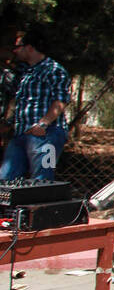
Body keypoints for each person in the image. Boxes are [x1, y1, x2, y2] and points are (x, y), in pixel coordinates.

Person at [1, 25, 71, 181]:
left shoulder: (54, 70)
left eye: (18, 47)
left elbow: (61, 101)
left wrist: (43, 124)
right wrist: (9, 123)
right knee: (6, 179)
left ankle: (40, 206)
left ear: (30, 48)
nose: (15, 51)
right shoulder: (25, 72)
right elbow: (21, 101)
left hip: (47, 134)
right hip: (21, 133)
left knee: (42, 180)